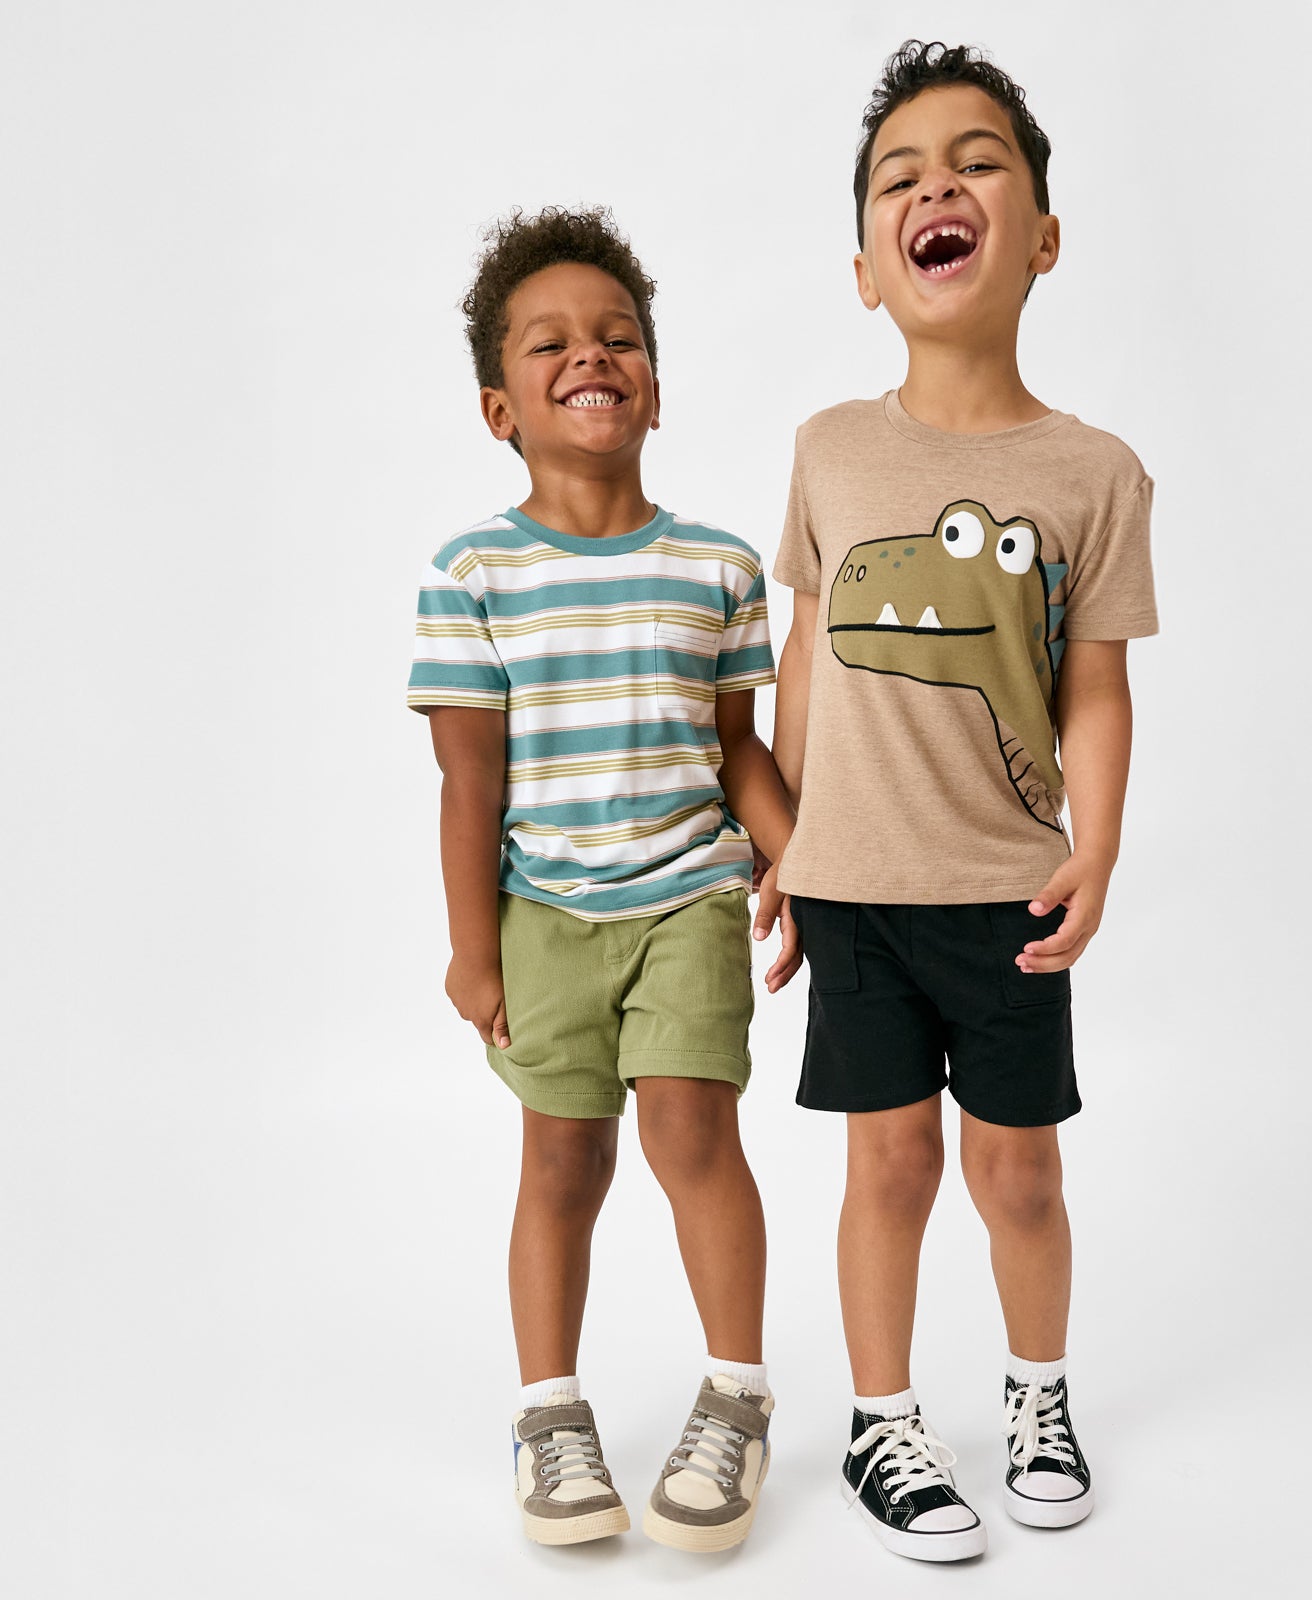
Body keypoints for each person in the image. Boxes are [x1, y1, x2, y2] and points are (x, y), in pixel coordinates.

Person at [768, 40, 1159, 1561]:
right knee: (887, 1166)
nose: (938, 184)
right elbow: (808, 652)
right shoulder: (828, 448)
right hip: (856, 888)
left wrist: (1097, 847)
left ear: (1042, 237)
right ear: (868, 267)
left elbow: (1095, 687)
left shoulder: (1096, 472)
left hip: (1008, 890)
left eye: (978, 161)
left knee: (1019, 1170)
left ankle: (1038, 1398)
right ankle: (882, 1423)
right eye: (901, 176)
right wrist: (782, 842)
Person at [407, 206, 801, 1553]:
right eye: (552, 343)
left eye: (619, 336)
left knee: (693, 1135)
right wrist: (473, 950)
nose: (592, 355)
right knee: (562, 1160)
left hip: (688, 897)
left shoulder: (717, 566)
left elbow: (737, 751)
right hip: (545, 916)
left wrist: (797, 862)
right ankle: (549, 1415)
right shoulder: (472, 575)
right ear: (499, 407)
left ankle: (737, 1396)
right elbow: (469, 784)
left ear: (656, 385)